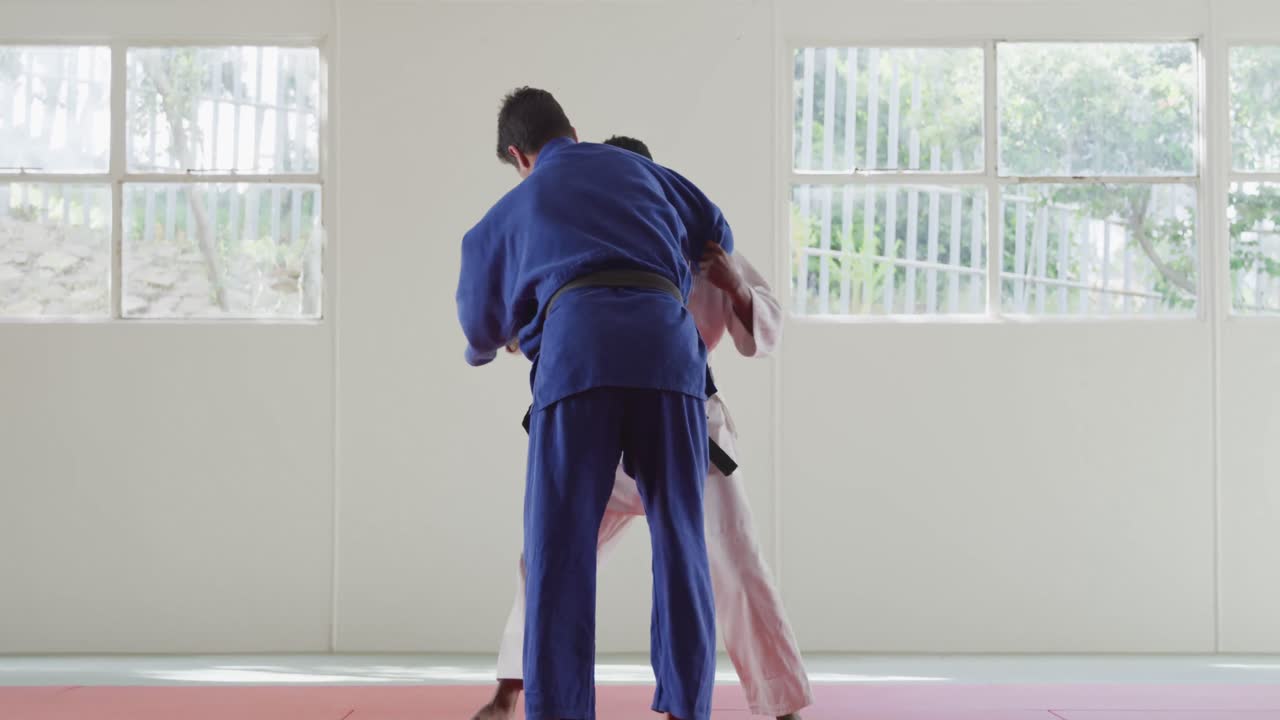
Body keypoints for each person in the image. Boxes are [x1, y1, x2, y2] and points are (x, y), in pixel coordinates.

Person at [472, 136, 813, 720]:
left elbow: (766, 332)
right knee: (547, 556)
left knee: (734, 557)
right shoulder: (585, 242)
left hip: (685, 420)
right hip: (599, 421)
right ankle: (510, 689)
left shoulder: (701, 242)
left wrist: (733, 282)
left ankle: (781, 704)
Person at [456, 90, 730, 720]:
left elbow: (478, 326)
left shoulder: (518, 203)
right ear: (574, 130)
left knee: (559, 551)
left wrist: (501, 338)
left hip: (578, 358)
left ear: (518, 155)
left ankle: (559, 711)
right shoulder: (644, 172)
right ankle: (688, 709)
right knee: (680, 536)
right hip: (667, 352)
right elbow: (716, 229)